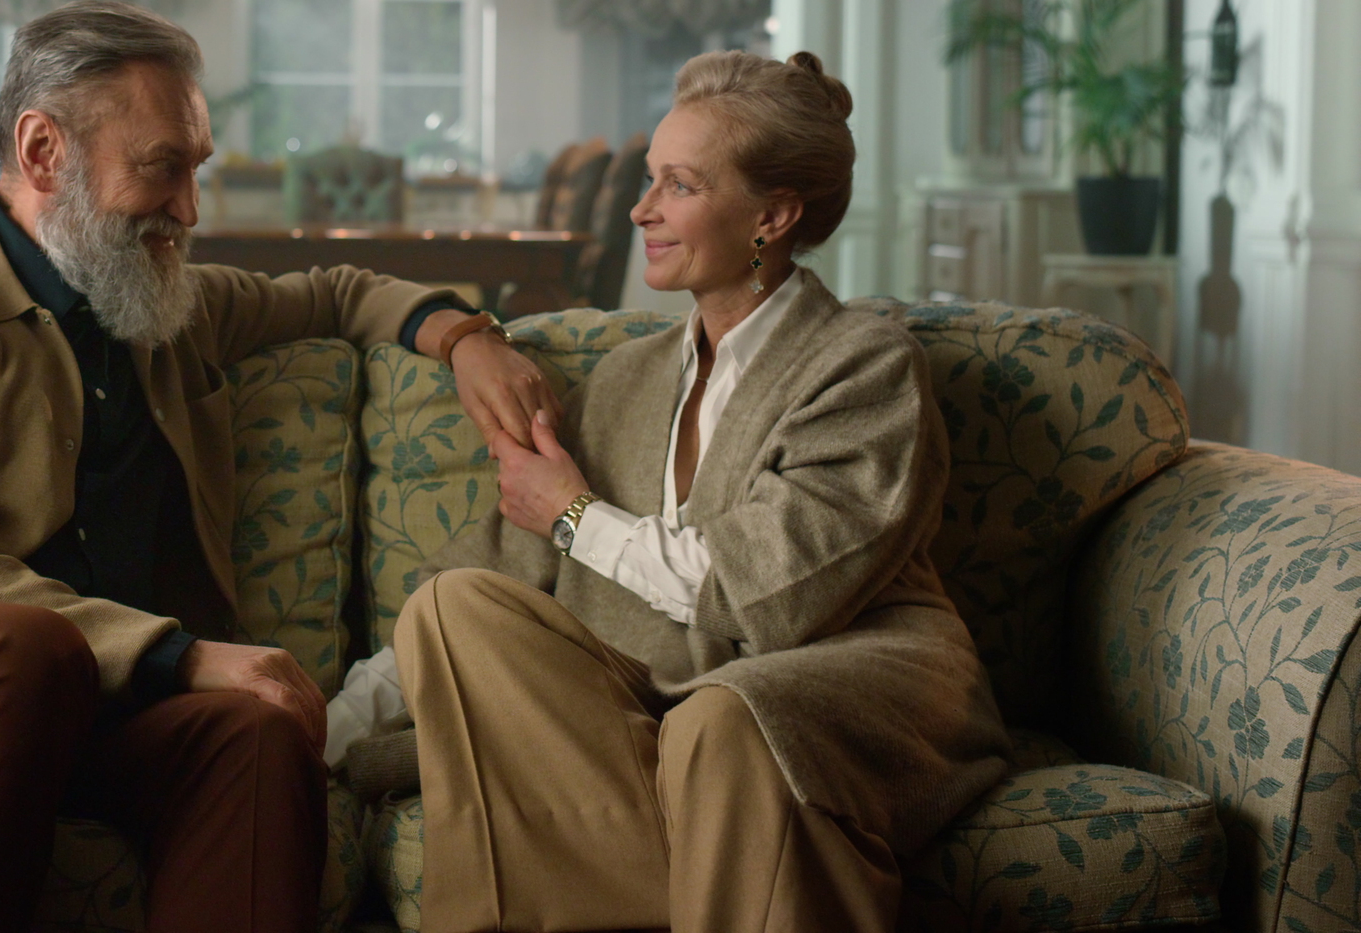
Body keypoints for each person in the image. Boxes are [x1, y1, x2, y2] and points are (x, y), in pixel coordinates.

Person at [0, 0, 562, 933]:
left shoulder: (156, 298)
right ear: (42, 152)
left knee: (258, 736)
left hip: (79, 703)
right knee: (16, 648)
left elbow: (334, 290)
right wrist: (178, 655)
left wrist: (468, 339)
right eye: (162, 168)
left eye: (195, 169)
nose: (189, 209)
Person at [347, 50, 1010, 931]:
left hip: (841, 675)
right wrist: (317, 727)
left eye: (679, 185)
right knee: (453, 610)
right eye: (650, 178)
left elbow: (763, 593)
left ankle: (615, 864)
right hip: (651, 711)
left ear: (771, 215)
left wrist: (575, 515)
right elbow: (498, 565)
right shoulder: (626, 378)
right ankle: (719, 857)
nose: (641, 207)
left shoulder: (865, 365)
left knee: (725, 721)